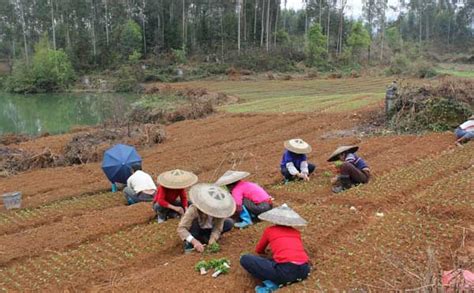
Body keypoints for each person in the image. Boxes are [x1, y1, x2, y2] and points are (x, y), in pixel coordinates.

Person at [240, 204, 310, 292]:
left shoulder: (270, 230)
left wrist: (265, 255)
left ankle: (272, 284)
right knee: (274, 261)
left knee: (245, 259)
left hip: (286, 272)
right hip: (304, 270)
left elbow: (259, 250)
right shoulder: (296, 232)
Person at [177, 183, 235, 253]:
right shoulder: (193, 209)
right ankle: (190, 243)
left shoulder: (219, 211)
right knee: (194, 223)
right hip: (197, 229)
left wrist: (213, 239)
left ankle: (206, 238)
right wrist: (194, 242)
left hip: (209, 229)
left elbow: (217, 228)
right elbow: (181, 228)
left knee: (229, 223)